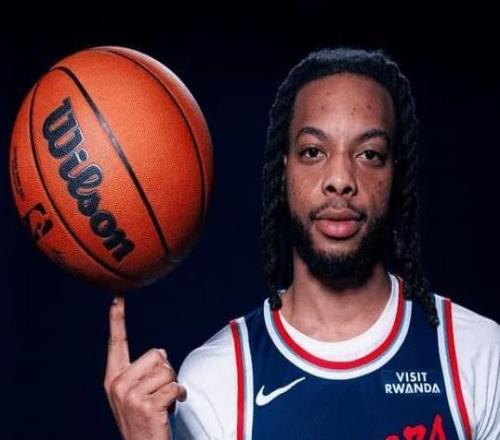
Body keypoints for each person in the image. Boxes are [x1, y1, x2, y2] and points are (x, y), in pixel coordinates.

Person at [104, 47, 500, 439]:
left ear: (396, 175)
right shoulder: (217, 380)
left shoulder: (479, 355)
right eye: (313, 152)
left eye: (369, 154)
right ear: (284, 171)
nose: (340, 179)